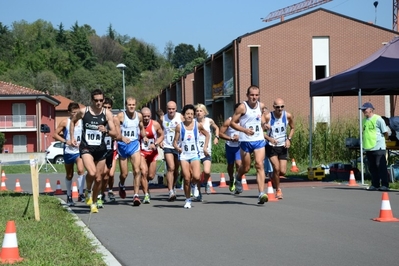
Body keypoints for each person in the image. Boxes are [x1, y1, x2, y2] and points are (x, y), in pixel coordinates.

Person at [70, 89, 118, 213]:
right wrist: (72, 138)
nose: (99, 103)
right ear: (92, 100)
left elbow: (115, 133)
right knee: (91, 173)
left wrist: (106, 130)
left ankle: (94, 202)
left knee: (98, 179)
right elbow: (72, 121)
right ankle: (87, 191)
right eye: (96, 100)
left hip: (101, 149)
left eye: (101, 100)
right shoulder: (83, 111)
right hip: (86, 148)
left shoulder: (107, 114)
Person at [230, 85, 268, 204]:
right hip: (245, 140)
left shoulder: (261, 106)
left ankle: (261, 193)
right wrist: (244, 130)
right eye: (252, 95)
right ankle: (238, 177)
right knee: (246, 167)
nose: (254, 97)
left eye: (256, 95)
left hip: (259, 139)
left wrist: (264, 124)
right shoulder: (242, 107)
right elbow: (232, 123)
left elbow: (261, 118)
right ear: (247, 95)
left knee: (259, 165)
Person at [173, 104, 210, 209]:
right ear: (184, 115)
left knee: (197, 177)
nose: (189, 116)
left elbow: (207, 135)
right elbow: (174, 142)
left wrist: (205, 148)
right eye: (187, 114)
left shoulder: (197, 125)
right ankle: (188, 199)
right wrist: (177, 148)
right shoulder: (179, 127)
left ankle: (194, 185)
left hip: (195, 155)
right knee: (187, 178)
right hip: (184, 156)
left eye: (191, 114)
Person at [116, 97, 148, 206]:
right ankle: (121, 184)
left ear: (136, 105)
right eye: (129, 105)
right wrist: (121, 138)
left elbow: (142, 128)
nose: (131, 107)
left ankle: (136, 195)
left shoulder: (139, 116)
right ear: (126, 105)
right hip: (122, 146)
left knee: (137, 170)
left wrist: (144, 137)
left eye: (133, 105)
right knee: (124, 174)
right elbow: (115, 131)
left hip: (134, 145)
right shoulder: (120, 116)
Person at [53, 102, 86, 206]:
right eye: (73, 113)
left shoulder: (82, 122)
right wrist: (65, 141)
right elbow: (55, 134)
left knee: (81, 170)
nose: (75, 115)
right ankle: (69, 195)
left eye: (77, 112)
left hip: (79, 151)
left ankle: (81, 194)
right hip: (68, 151)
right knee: (69, 174)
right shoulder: (65, 122)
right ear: (69, 113)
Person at [264, 98, 294, 199]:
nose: (280, 109)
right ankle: (278, 190)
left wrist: (289, 139)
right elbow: (259, 131)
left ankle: (273, 176)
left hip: (283, 146)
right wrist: (269, 138)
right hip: (271, 146)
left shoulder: (288, 115)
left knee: (282, 171)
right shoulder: (268, 117)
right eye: (277, 107)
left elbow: (292, 128)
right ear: (274, 107)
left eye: (282, 107)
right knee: (276, 168)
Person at [360, 102, 389, 191]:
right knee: (372, 167)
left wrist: (383, 142)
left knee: (380, 165)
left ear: (370, 109)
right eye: (362, 109)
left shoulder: (378, 119)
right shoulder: (364, 120)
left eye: (365, 109)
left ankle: (385, 184)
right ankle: (375, 184)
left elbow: (385, 132)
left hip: (378, 147)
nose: (363, 111)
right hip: (369, 147)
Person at [194, 103, 219, 200]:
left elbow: (216, 128)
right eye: (197, 111)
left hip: (206, 151)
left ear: (205, 112)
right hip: (195, 151)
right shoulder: (193, 122)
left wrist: (216, 137)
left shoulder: (209, 121)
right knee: (197, 174)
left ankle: (207, 181)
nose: (199, 112)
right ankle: (199, 193)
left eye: (201, 111)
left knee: (206, 171)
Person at [159, 101, 183, 201]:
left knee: (176, 170)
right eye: (169, 109)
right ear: (166, 109)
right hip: (167, 145)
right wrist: (160, 140)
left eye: (173, 109)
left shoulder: (180, 117)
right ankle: (170, 191)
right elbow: (159, 131)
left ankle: (173, 186)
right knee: (171, 168)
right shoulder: (163, 118)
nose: (171, 111)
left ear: (176, 109)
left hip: (178, 146)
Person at [140, 107, 164, 204]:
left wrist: (157, 143)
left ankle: (146, 187)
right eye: (144, 116)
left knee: (151, 176)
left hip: (152, 153)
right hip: (141, 152)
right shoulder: (138, 125)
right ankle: (146, 194)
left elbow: (162, 135)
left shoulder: (155, 124)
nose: (146, 118)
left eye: (148, 116)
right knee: (143, 172)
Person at [98, 98, 119, 206]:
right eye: (104, 107)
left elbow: (118, 134)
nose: (107, 109)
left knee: (110, 174)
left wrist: (109, 132)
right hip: (100, 149)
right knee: (103, 173)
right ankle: (101, 193)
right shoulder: (97, 118)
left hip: (112, 149)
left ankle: (109, 190)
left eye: (109, 107)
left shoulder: (114, 119)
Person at [218, 103, 242, 192]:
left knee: (239, 164)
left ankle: (238, 181)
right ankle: (231, 179)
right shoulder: (229, 121)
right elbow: (220, 133)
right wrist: (231, 138)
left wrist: (240, 137)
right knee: (230, 165)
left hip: (239, 147)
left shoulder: (244, 121)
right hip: (230, 146)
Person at [262, 106, 273, 180]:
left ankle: (270, 170)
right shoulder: (260, 120)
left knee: (269, 157)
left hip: (270, 141)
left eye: (265, 112)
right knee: (265, 157)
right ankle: (267, 170)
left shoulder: (270, 119)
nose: (264, 114)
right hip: (262, 141)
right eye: (262, 112)